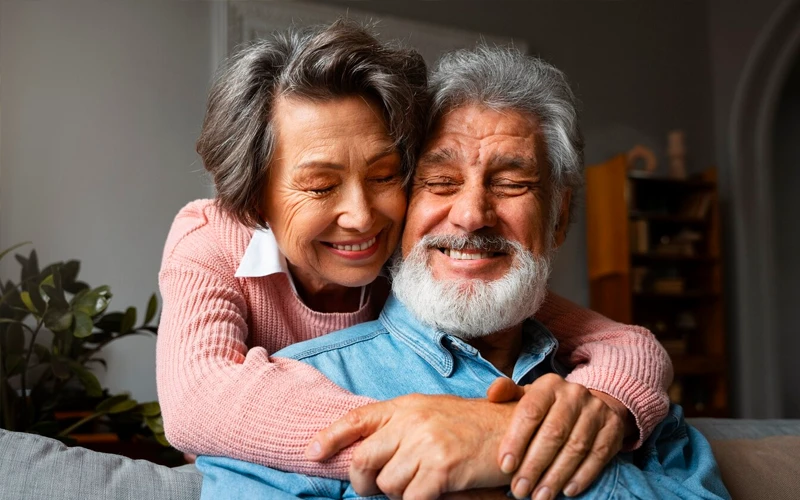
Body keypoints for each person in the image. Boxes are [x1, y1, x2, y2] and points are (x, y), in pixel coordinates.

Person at [156, 20, 671, 499]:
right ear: (254, 198)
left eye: (384, 175)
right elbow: (197, 398)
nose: (361, 217)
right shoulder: (213, 239)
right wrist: (453, 433)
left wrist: (602, 409)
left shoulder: (405, 248)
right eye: (319, 185)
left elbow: (617, 342)